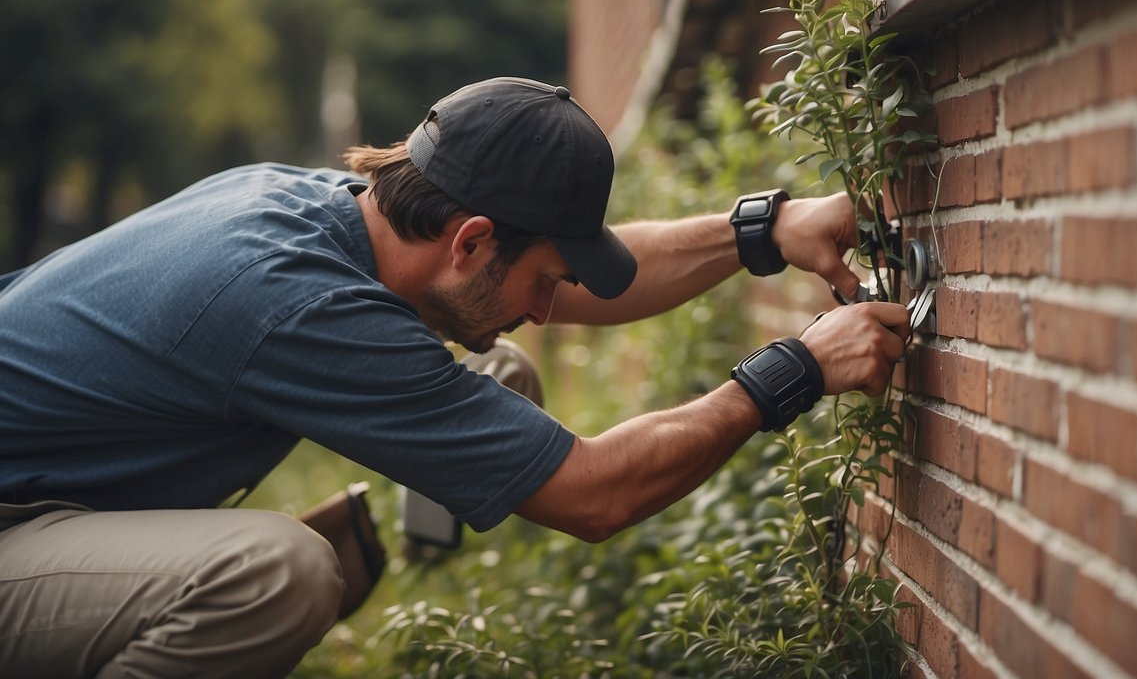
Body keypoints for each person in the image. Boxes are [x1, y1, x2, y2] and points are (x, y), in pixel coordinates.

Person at [0, 77, 909, 677]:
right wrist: (795, 368)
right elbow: (593, 496)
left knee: (498, 362)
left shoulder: (332, 213)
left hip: (46, 480)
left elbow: (553, 284)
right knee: (274, 574)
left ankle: (422, 512)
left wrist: (764, 229)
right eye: (542, 281)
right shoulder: (295, 303)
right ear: (470, 237)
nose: (553, 309)